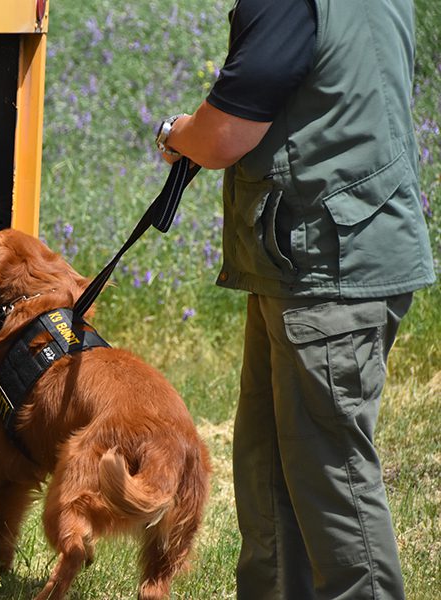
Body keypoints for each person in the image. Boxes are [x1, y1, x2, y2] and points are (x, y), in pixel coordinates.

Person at [156, 0, 435, 598]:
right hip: (306, 259)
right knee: (271, 467)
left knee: (331, 477)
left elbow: (226, 133)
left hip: (328, 267)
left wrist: (175, 133)